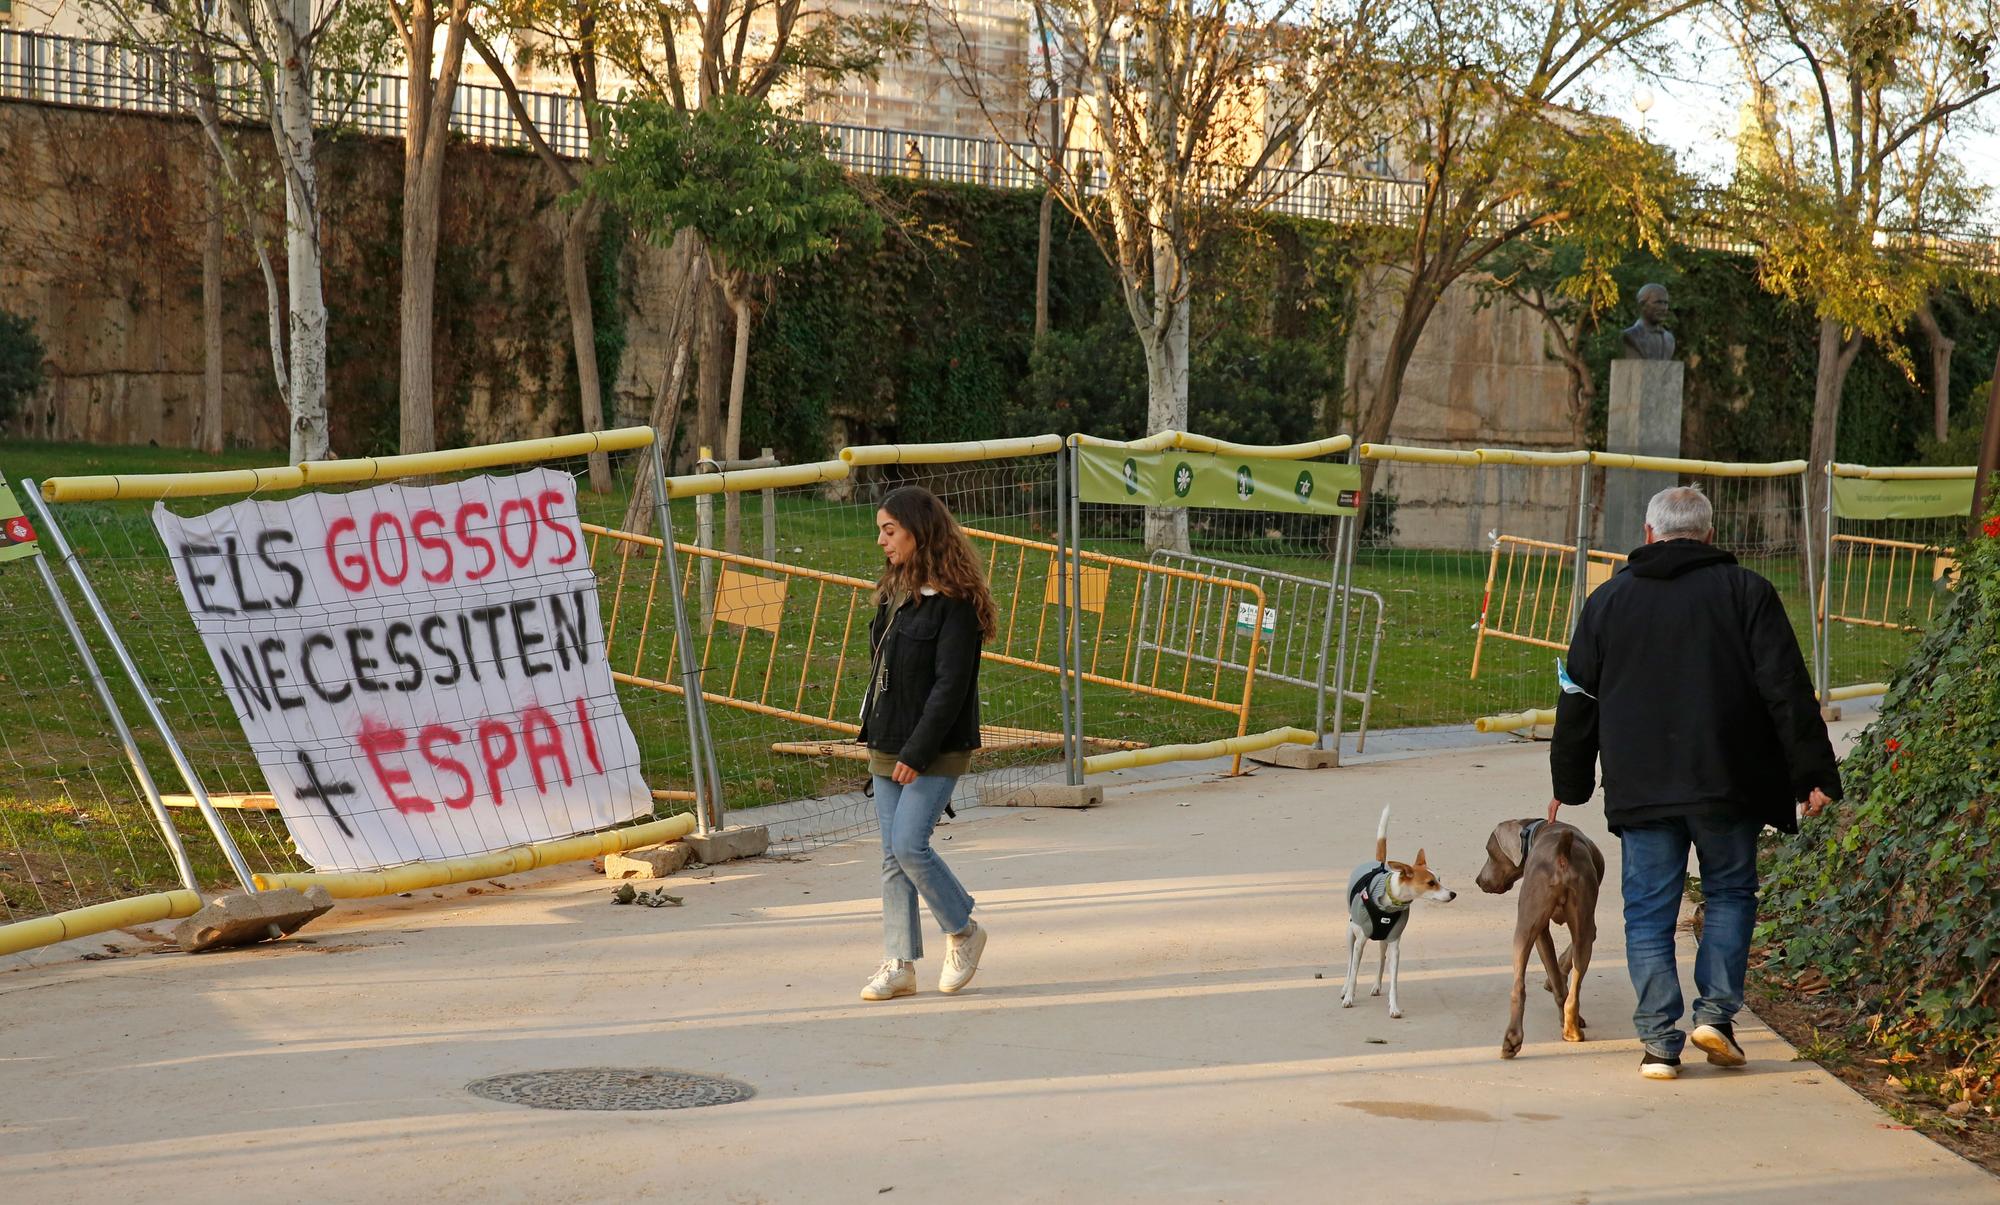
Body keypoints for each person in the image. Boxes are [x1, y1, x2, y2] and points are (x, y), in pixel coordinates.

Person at [1548, 485, 1840, 1080]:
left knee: (1648, 912)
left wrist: (1570, 782)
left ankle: (1659, 1042)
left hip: (1642, 787)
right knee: (1730, 895)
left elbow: (1578, 696)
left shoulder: (1608, 601)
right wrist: (1812, 773)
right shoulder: (1747, 593)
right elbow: (1785, 689)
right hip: (1728, 783)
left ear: (1650, 535)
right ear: (1709, 535)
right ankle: (1716, 1017)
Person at [855, 485, 997, 1002]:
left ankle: (963, 931)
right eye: (880, 531)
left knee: (910, 845)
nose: (882, 541)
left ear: (919, 530)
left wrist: (916, 754)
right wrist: (879, 734)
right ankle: (899, 965)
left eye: (889, 531)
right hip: (887, 739)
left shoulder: (954, 605)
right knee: (892, 857)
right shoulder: (895, 593)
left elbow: (949, 687)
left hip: (935, 747)